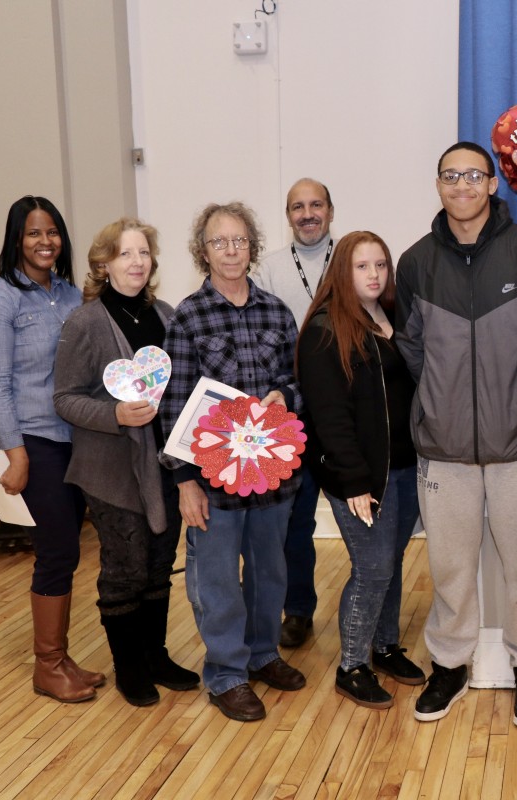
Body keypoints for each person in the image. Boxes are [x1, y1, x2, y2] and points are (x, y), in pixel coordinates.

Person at [394, 141, 517, 727]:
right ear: (438, 184)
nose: (463, 185)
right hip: (443, 451)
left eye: (475, 175)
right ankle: (450, 666)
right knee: (448, 566)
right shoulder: (416, 262)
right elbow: (411, 354)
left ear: (494, 184)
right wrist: (442, 408)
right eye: (451, 175)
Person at [159, 201, 308, 722]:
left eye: (239, 240)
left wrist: (285, 397)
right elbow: (174, 403)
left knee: (270, 570)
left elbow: (297, 381)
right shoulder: (188, 317)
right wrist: (183, 481)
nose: (231, 250)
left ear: (253, 247)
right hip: (211, 481)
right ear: (203, 251)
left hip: (272, 476)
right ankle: (226, 674)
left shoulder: (275, 312)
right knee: (217, 577)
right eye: (220, 241)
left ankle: (263, 654)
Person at [53, 218, 200, 706]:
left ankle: (155, 656)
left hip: (164, 465)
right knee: (126, 569)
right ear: (104, 264)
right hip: (112, 471)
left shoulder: (166, 313)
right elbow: (65, 398)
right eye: (125, 254)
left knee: (160, 566)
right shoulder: (85, 322)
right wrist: (115, 413)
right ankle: (129, 667)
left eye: (144, 253)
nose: (137, 262)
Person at [0, 195, 100, 702]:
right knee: (57, 549)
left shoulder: (71, 296)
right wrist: (16, 453)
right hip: (31, 439)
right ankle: (47, 665)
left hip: (73, 438)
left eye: (53, 232)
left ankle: (61, 658)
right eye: (33, 233)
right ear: (15, 240)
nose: (45, 242)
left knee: (67, 552)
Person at [296, 231, 424, 709]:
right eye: (362, 266)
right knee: (371, 568)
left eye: (380, 266)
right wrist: (352, 480)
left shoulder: (390, 319)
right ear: (341, 273)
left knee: (390, 565)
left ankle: (385, 646)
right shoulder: (326, 329)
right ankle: (352, 665)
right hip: (360, 477)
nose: (373, 275)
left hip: (405, 468)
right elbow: (329, 417)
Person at [258, 178, 337, 648]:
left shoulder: (350, 259)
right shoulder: (267, 271)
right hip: (292, 414)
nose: (307, 214)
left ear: (330, 210)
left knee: (365, 518)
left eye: (316, 205)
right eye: (297, 207)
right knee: (294, 521)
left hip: (343, 413)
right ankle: (298, 610)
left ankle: (371, 612)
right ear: (287, 216)